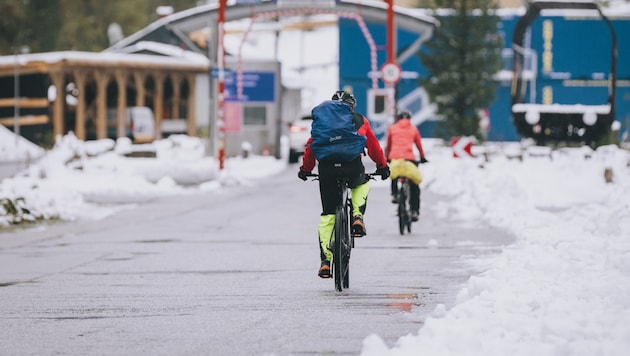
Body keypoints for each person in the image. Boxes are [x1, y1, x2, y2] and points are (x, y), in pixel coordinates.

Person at [298, 90, 390, 278]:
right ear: (351, 105)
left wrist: (306, 169)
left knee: (328, 214)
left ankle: (325, 260)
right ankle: (357, 216)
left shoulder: (323, 121)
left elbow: (312, 145)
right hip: (352, 166)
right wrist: (382, 166)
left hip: (327, 170)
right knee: (362, 183)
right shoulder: (359, 119)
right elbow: (372, 145)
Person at [385, 111, 428, 222]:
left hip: (395, 157)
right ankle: (414, 211)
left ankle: (394, 194)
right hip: (409, 159)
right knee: (414, 185)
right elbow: (419, 145)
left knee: (393, 173)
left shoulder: (393, 128)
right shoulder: (413, 129)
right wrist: (422, 157)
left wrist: (387, 158)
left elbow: (388, 145)